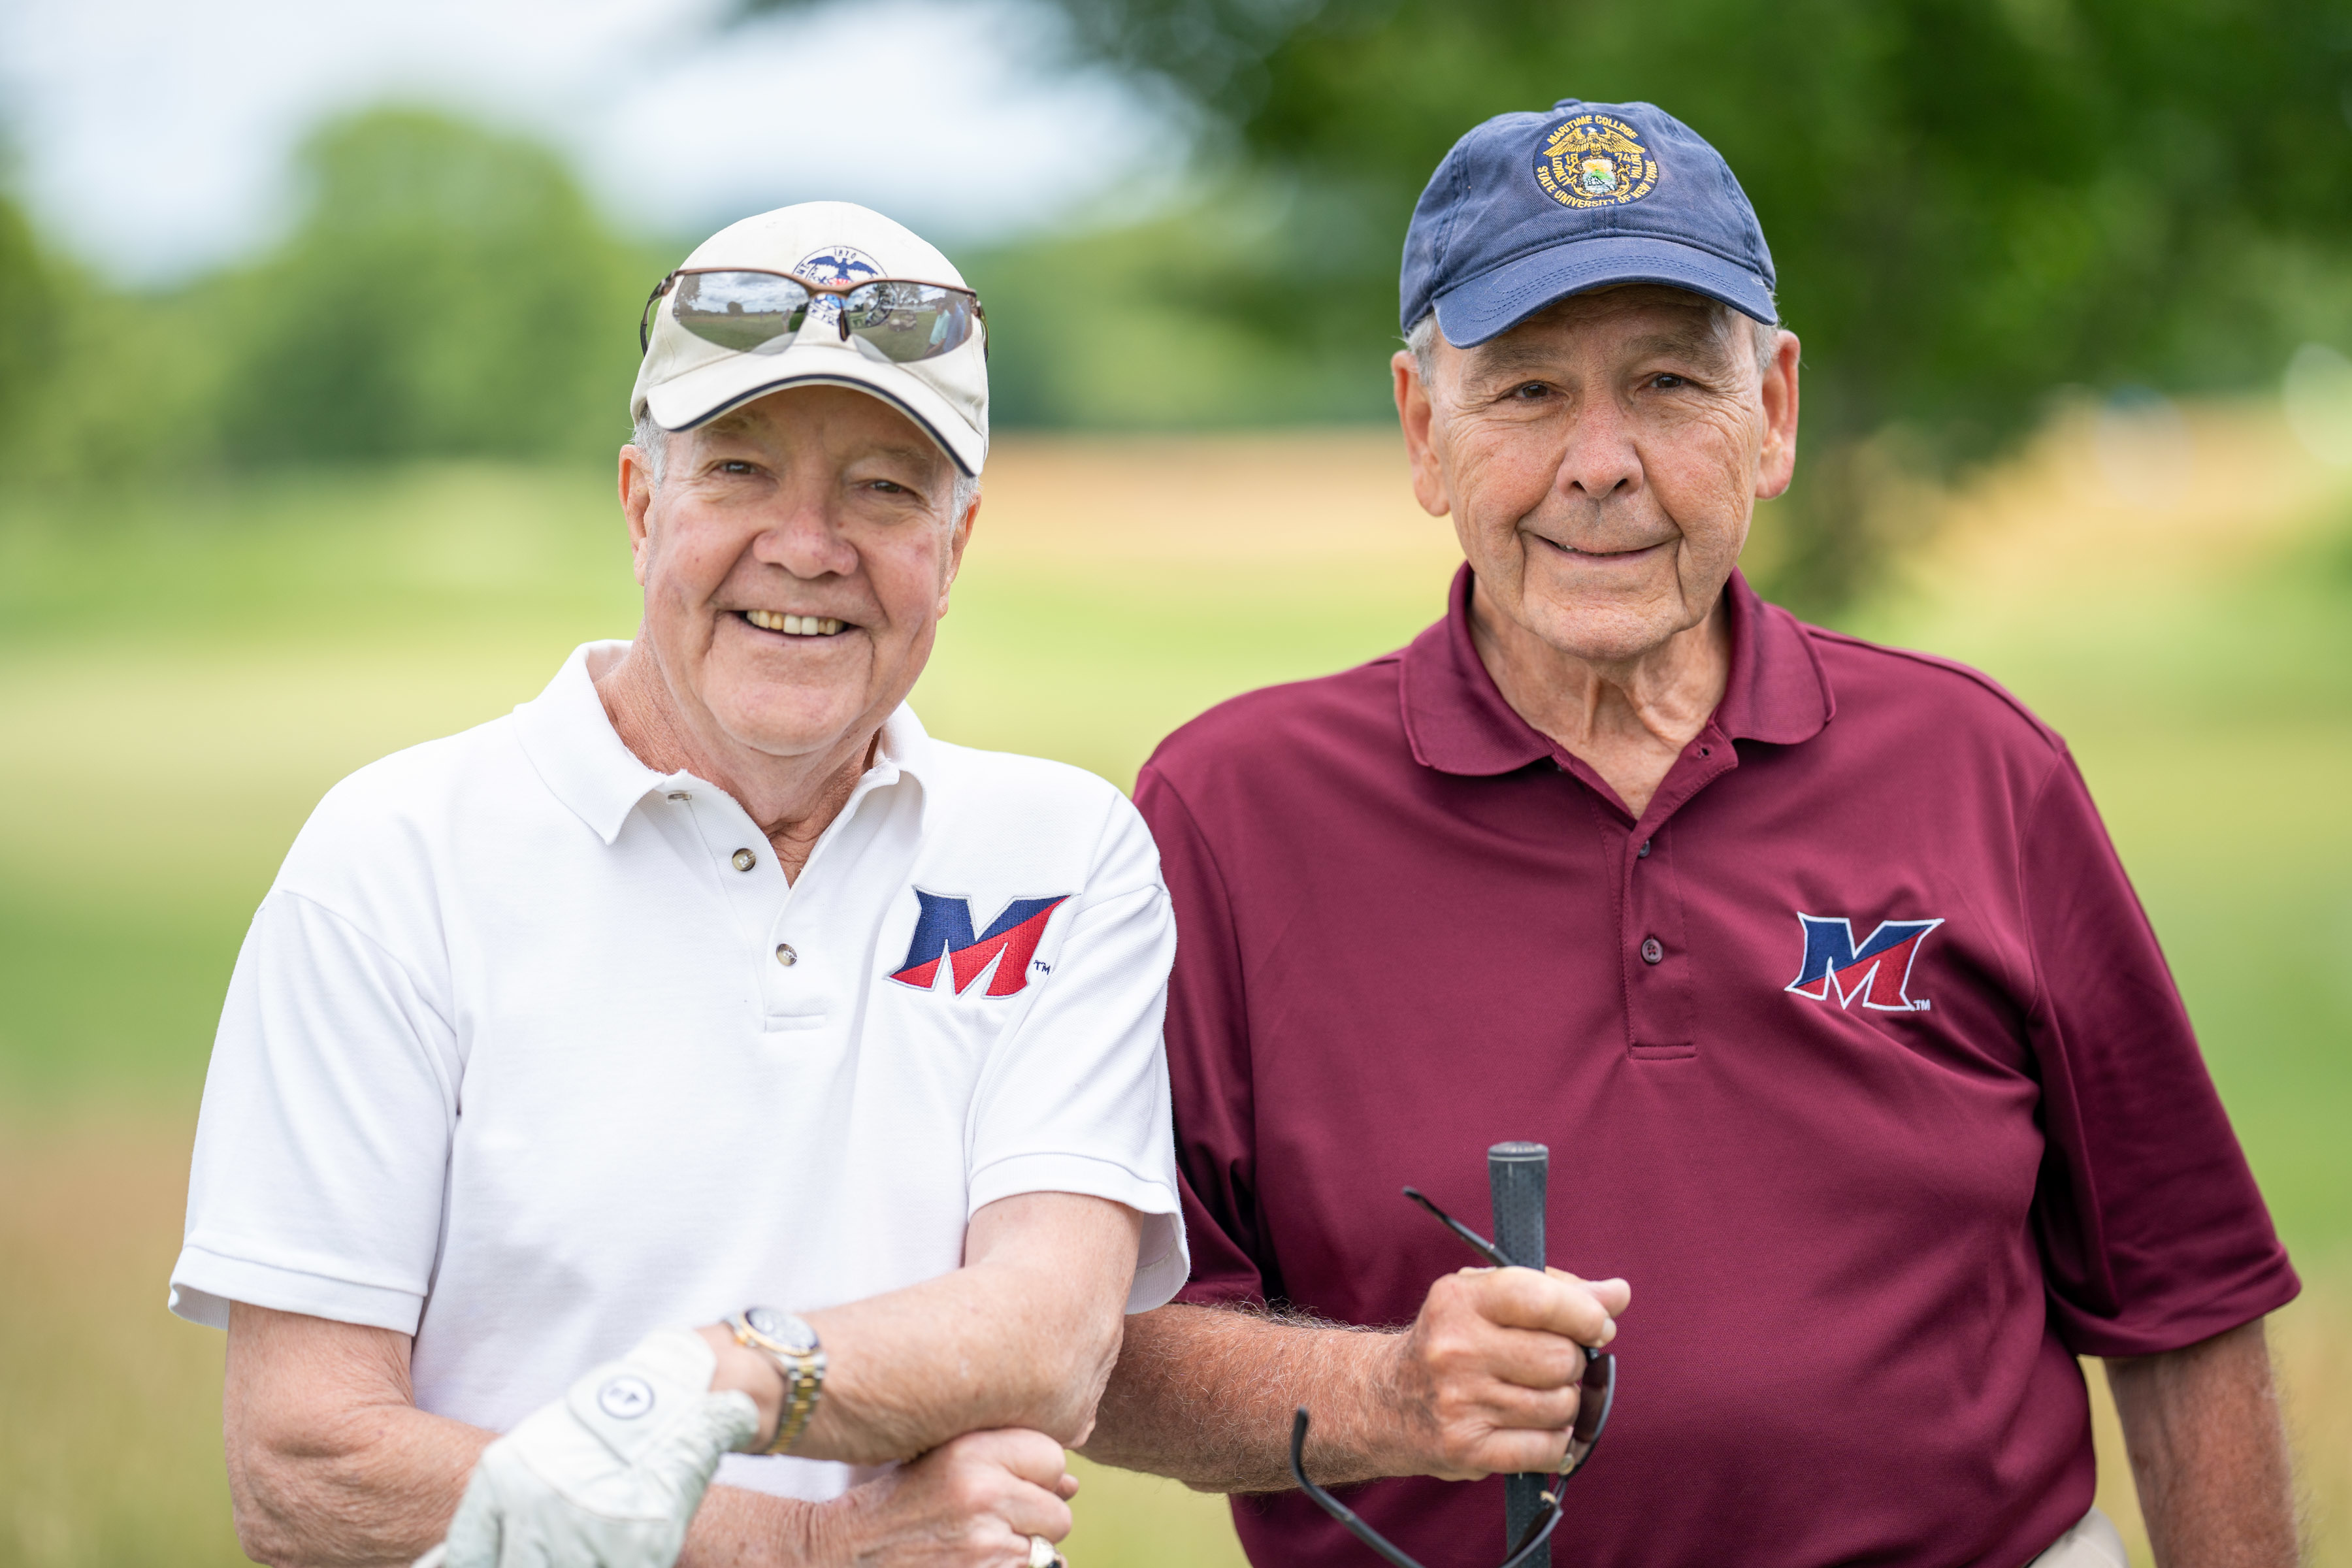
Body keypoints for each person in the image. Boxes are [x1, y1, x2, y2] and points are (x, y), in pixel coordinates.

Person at [1081, 101, 2300, 1568]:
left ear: (1773, 413)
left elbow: (2187, 1302)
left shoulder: (1982, 768)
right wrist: (1388, 1396)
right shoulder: (1228, 815)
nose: (1600, 462)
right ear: (1423, 429)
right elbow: (1109, 1355)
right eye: (1528, 392)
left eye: (1667, 384)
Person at [170, 200, 1188, 1568]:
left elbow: (1054, 1340)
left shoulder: (1066, 852)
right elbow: (311, 1468)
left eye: (887, 488)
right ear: (644, 505)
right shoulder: (393, 855)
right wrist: (807, 1550)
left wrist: (724, 1380)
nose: (809, 546)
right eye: (740, 471)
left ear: (956, 544)